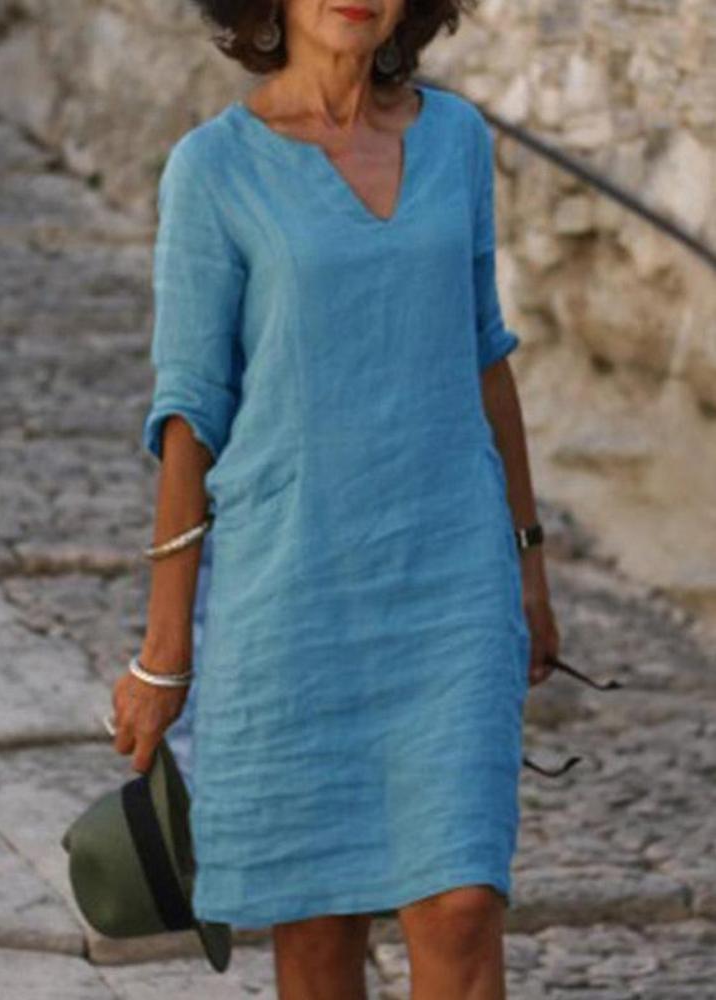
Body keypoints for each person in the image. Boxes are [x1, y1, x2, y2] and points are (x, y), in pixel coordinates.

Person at [110, 0, 561, 996]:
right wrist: (164, 650)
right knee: (317, 934)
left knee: (462, 905)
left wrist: (528, 561)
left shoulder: (455, 139)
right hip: (293, 597)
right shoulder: (214, 169)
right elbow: (190, 414)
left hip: (452, 581)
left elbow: (485, 356)